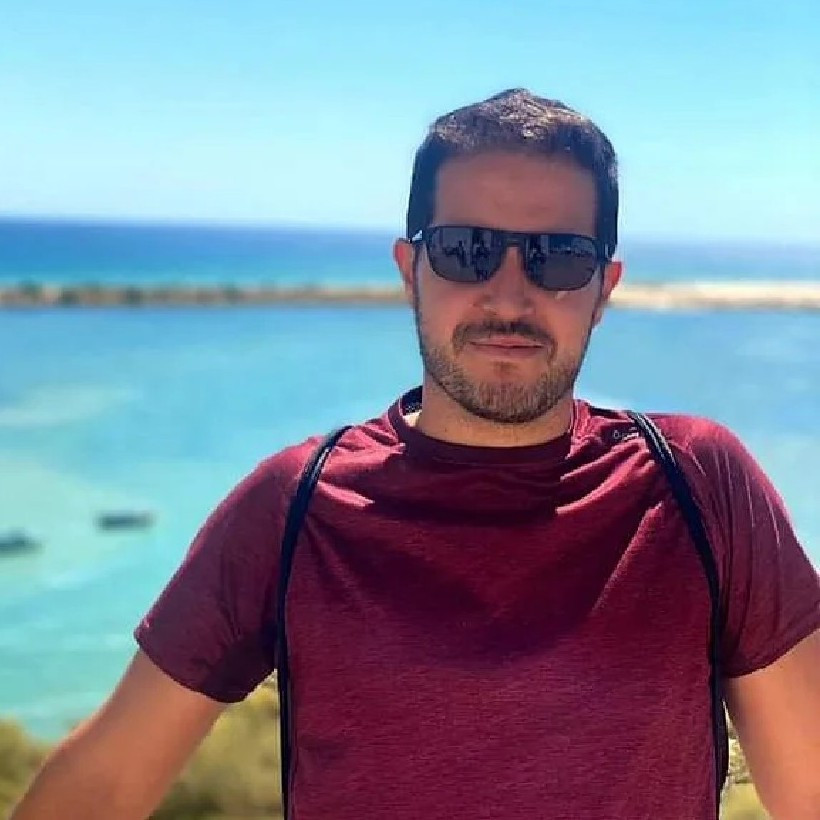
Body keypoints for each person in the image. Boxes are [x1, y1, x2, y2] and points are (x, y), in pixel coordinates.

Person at [11, 88, 820, 820]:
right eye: (468, 250)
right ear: (411, 272)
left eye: (558, 257)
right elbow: (104, 785)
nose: (509, 295)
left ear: (604, 288)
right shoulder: (295, 505)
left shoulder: (699, 486)